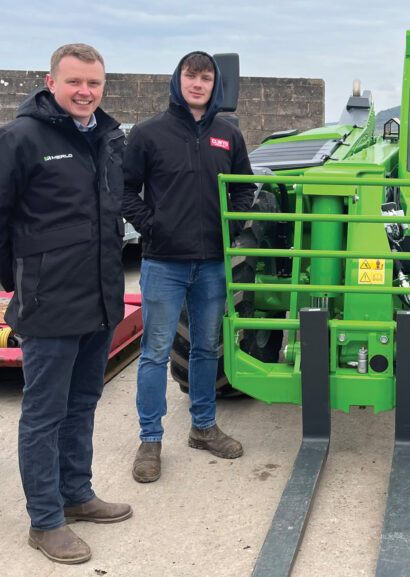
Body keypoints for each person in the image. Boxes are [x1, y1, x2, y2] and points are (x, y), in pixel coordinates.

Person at [0, 43, 131, 564]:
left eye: (95, 84)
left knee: (82, 404)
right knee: (43, 413)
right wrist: (22, 276)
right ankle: (45, 520)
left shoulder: (107, 137)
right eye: (75, 82)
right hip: (48, 304)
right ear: (51, 82)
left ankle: (76, 494)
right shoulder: (17, 139)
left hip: (100, 299)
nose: (85, 92)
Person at [122, 51, 256, 483]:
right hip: (164, 263)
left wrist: (230, 230)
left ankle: (203, 428)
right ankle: (150, 440)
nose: (197, 84)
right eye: (190, 76)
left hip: (214, 264)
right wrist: (152, 226)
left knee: (206, 349)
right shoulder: (148, 134)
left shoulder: (227, 135)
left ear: (215, 85)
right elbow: (124, 191)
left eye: (205, 78)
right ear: (176, 80)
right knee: (155, 353)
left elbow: (244, 187)